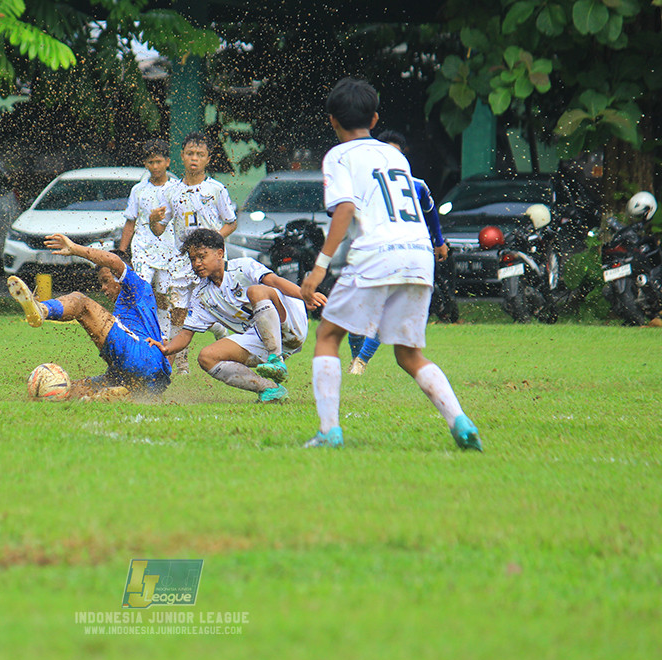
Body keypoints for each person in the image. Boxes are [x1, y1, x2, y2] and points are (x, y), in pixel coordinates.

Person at [300, 77, 481, 451]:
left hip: (377, 252)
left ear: (331, 120)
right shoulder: (394, 154)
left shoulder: (338, 156)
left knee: (327, 336)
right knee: (409, 354)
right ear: (376, 118)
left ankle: (329, 431)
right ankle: (460, 421)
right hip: (418, 255)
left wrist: (319, 268)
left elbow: (346, 209)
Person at [150, 228, 326, 403]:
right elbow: (186, 334)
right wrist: (167, 349)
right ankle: (269, 389)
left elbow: (274, 281)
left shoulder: (243, 266)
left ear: (220, 253)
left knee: (256, 291)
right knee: (207, 357)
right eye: (193, 259)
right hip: (262, 337)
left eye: (202, 256)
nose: (197, 263)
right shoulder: (201, 295)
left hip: (290, 323)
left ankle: (276, 360)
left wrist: (305, 294)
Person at [7, 233, 170, 399]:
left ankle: (42, 309)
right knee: (69, 389)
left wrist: (74, 249)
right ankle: (113, 394)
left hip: (139, 354)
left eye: (106, 280)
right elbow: (166, 351)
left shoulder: (138, 286)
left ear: (120, 276)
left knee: (81, 303)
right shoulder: (139, 311)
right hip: (148, 374)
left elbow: (113, 261)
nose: (103, 288)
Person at [346, 129, 451, 375]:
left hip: (402, 254)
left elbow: (430, 212)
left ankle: (360, 362)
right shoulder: (368, 185)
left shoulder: (416, 185)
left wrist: (438, 241)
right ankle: (356, 360)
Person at [150, 132, 237, 373]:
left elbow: (231, 222)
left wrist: (214, 244)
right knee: (178, 312)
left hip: (210, 263)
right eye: (190, 154)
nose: (194, 159)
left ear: (208, 159)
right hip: (181, 262)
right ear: (182, 157)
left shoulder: (216, 189)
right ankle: (181, 367)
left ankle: (227, 340)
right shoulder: (172, 191)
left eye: (200, 154)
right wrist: (152, 220)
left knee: (213, 308)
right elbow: (159, 229)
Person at [118, 139, 178, 345]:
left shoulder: (176, 189)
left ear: (168, 162)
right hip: (142, 248)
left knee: (164, 296)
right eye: (151, 162)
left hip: (169, 250)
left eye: (159, 161)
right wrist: (122, 251)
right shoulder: (138, 190)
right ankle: (141, 335)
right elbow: (130, 221)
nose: (155, 166)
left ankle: (164, 340)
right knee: (142, 291)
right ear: (145, 164)